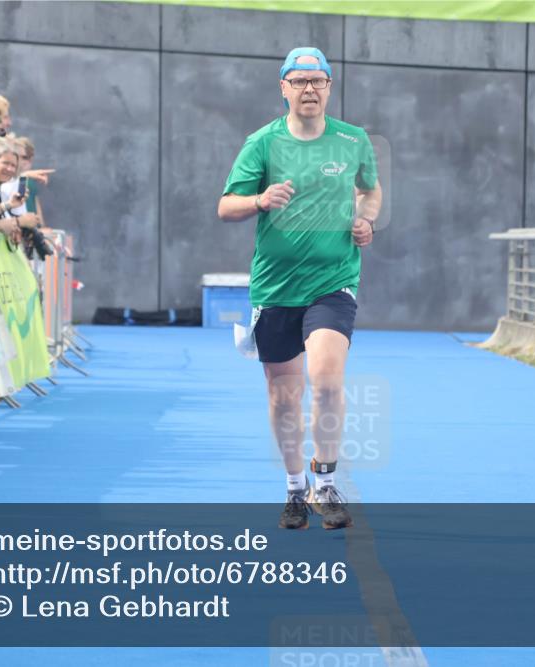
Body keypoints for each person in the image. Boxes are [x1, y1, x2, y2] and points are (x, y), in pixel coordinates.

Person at [217, 47, 382, 530]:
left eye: (318, 81)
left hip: (333, 282)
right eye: (300, 81)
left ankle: (325, 483)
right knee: (284, 396)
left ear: (330, 87)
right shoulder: (262, 143)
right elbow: (226, 206)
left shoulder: (353, 140)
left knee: (327, 381)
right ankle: (294, 489)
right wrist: (259, 199)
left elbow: (370, 190)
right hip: (275, 287)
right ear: (283, 87)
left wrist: (366, 220)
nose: (309, 89)